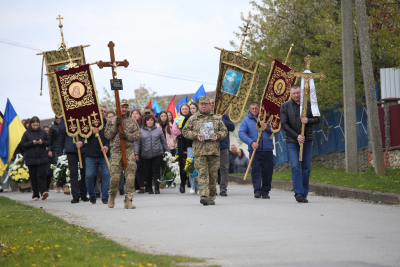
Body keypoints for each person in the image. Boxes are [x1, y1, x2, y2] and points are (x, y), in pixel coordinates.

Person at [182, 96, 228, 206]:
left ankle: (211, 197)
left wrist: (217, 135)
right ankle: (204, 195)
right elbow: (184, 131)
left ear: (209, 105)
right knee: (202, 174)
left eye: (206, 104)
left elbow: (224, 131)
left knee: (212, 175)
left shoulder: (216, 118)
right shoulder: (193, 118)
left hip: (213, 151)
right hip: (199, 151)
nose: (203, 106)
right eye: (201, 104)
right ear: (198, 105)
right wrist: (195, 135)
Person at [281, 85, 320, 203]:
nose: (296, 95)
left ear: (301, 93)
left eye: (298, 93)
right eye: (294, 93)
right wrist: (296, 136)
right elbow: (284, 124)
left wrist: (308, 120)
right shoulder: (285, 106)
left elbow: (318, 119)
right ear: (290, 94)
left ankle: (304, 193)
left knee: (306, 167)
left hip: (307, 139)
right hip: (292, 141)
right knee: (295, 166)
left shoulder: (309, 103)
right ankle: (298, 193)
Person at [105, 99, 142, 209]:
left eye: (126, 107)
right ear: (118, 108)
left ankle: (128, 200)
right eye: (122, 107)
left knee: (130, 176)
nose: (124, 109)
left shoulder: (132, 121)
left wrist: (127, 136)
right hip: (116, 151)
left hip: (128, 151)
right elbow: (107, 136)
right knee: (115, 177)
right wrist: (115, 127)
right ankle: (112, 196)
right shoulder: (111, 121)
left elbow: (138, 136)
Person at [238, 102, 274, 199]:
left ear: (259, 109)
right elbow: (241, 133)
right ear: (249, 110)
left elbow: (276, 129)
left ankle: (265, 191)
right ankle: (257, 190)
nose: (254, 110)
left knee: (268, 171)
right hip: (254, 150)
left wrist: (268, 128)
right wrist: (251, 142)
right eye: (252, 108)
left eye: (256, 108)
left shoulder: (267, 119)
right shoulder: (246, 121)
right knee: (256, 170)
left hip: (267, 149)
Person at [135, 115, 169, 194]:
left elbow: (164, 142)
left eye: (151, 120)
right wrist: (136, 153)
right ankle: (149, 188)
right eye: (148, 120)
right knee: (148, 172)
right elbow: (137, 143)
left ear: (154, 121)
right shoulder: (141, 131)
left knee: (156, 171)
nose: (150, 122)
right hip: (145, 154)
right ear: (145, 122)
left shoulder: (159, 131)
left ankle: (157, 188)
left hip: (158, 154)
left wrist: (168, 153)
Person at [59, 118, 89, 203]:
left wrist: (82, 142)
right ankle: (75, 195)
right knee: (73, 172)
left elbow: (87, 131)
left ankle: (84, 193)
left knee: (84, 172)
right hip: (71, 149)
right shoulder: (64, 117)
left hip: (83, 148)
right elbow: (61, 130)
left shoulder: (82, 116)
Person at [20, 116, 50, 201]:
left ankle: (43, 191)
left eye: (37, 125)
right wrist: (32, 143)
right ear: (30, 125)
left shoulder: (43, 132)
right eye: (34, 125)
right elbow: (23, 144)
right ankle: (35, 194)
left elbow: (48, 142)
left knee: (41, 175)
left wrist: (42, 142)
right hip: (31, 158)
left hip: (42, 157)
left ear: (39, 124)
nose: (36, 127)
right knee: (33, 177)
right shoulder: (26, 133)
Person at [210, 98, 235, 197]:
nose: (212, 105)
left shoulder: (224, 116)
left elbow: (232, 127)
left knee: (224, 168)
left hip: (223, 146)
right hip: (210, 146)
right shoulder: (206, 116)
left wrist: (222, 120)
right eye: (211, 103)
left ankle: (223, 189)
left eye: (214, 103)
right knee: (212, 169)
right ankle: (213, 189)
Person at [84, 115, 111, 204]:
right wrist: (91, 132)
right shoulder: (88, 124)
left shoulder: (109, 125)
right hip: (91, 155)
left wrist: (107, 146)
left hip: (104, 155)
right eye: (101, 111)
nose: (103, 113)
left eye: (104, 112)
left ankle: (105, 196)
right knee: (89, 175)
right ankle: (92, 194)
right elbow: (82, 135)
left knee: (106, 175)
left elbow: (112, 138)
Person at [172, 104, 191, 193]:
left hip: (191, 141)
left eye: (186, 109)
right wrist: (185, 131)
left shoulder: (192, 118)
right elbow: (175, 131)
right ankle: (182, 184)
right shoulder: (176, 120)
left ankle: (192, 184)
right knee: (183, 164)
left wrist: (185, 131)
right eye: (183, 109)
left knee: (192, 162)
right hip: (181, 142)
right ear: (180, 110)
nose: (185, 110)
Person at [131, 109, 145, 193]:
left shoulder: (142, 125)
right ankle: (135, 185)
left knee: (140, 167)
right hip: (130, 147)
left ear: (140, 115)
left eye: (137, 114)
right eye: (133, 114)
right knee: (133, 168)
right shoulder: (129, 125)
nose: (135, 115)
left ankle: (141, 185)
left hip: (141, 148)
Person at [187, 103, 199, 194]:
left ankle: (199, 187)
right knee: (191, 165)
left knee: (199, 166)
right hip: (190, 146)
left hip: (200, 145)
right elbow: (184, 134)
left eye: (193, 108)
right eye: (190, 108)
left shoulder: (200, 118)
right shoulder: (187, 119)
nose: (192, 110)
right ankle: (192, 186)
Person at [48, 116, 61, 192]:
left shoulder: (65, 126)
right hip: (55, 148)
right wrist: (50, 150)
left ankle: (65, 184)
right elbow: (50, 139)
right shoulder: (53, 127)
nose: (59, 121)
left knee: (64, 166)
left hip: (63, 148)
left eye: (60, 120)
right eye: (58, 120)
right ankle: (57, 185)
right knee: (56, 167)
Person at [42, 125, 52, 192]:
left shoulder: (51, 137)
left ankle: (47, 187)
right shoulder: (41, 137)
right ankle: (43, 187)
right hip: (43, 156)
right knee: (43, 173)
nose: (47, 132)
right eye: (45, 130)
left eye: (48, 130)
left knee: (49, 173)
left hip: (49, 157)